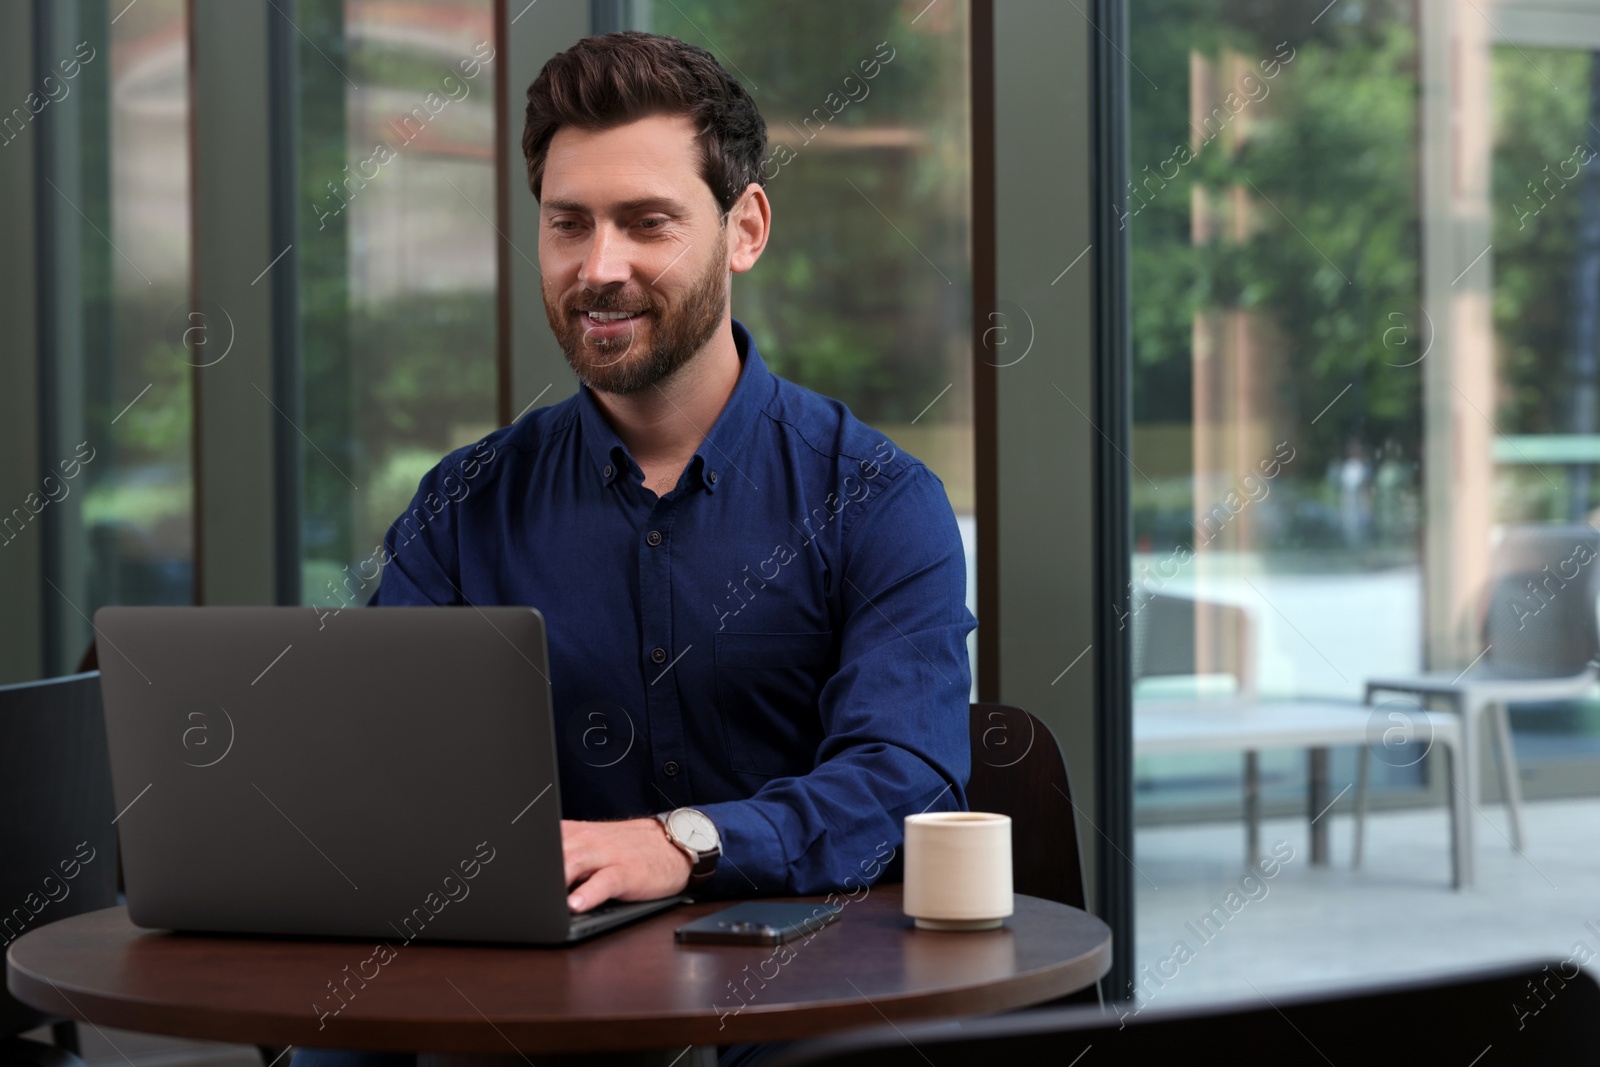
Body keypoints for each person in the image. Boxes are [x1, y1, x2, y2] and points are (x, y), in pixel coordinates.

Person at [295, 29, 974, 1067]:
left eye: (645, 222)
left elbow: (907, 777)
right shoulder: (460, 505)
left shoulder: (877, 497)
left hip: (795, 1012)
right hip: (525, 1022)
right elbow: (391, 784)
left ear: (744, 228)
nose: (598, 267)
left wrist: (683, 841)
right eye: (568, 223)